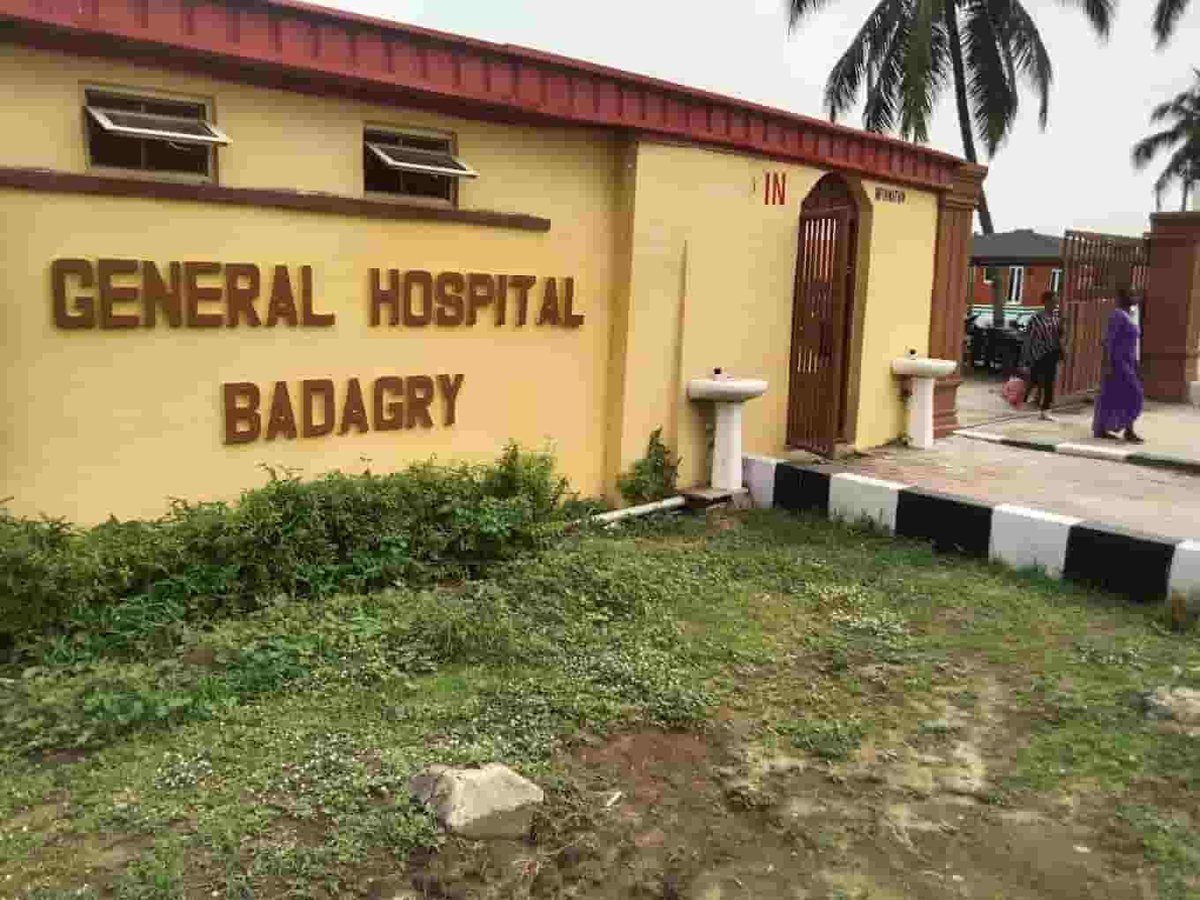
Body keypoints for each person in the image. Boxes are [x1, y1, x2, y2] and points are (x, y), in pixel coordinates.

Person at [1093, 288, 1145, 443]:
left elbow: (1134, 343)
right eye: (1132, 295)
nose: (1136, 297)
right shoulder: (1117, 315)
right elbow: (1109, 341)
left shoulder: (1131, 315)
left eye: (1136, 295)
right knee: (1133, 393)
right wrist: (1107, 364)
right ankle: (1123, 430)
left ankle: (1116, 429)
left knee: (1114, 395)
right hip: (1117, 362)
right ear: (1123, 298)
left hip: (1129, 361)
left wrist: (1136, 362)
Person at [1019, 290, 1067, 421]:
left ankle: (1045, 410)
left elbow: (1059, 336)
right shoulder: (1036, 318)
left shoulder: (1056, 318)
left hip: (1052, 353)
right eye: (1053, 302)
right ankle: (1022, 400)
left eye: (1056, 302)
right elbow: (1028, 339)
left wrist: (1062, 351)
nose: (1055, 305)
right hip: (1038, 354)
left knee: (1049, 382)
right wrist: (1024, 359)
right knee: (1033, 379)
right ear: (1045, 302)